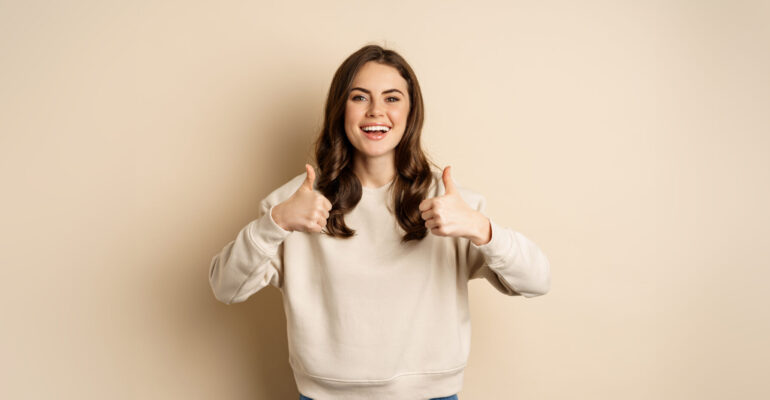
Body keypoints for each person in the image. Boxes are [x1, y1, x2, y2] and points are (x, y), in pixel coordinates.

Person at [209, 44, 551, 400]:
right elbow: (226, 287)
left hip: (431, 396)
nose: (376, 111)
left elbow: (537, 281)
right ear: (340, 108)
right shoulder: (296, 202)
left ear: (411, 111)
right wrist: (276, 222)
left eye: (392, 98)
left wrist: (481, 228)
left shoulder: (451, 203)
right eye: (360, 97)